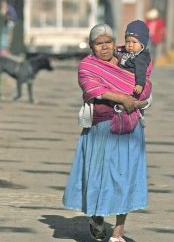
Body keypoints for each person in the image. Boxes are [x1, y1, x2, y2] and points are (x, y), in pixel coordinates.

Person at [63, 24, 151, 242]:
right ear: (92, 46)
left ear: (114, 43)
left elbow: (145, 82)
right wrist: (122, 97)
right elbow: (92, 89)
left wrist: (138, 97)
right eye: (98, 44)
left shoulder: (129, 59)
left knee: (126, 177)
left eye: (108, 43)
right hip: (102, 128)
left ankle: (118, 233)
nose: (104, 48)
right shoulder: (87, 66)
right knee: (99, 178)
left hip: (130, 127)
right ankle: (97, 217)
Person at [116, 20, 151, 96]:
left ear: (142, 44)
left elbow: (141, 71)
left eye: (134, 42)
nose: (130, 45)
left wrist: (139, 84)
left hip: (130, 83)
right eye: (127, 41)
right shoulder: (125, 52)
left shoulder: (140, 57)